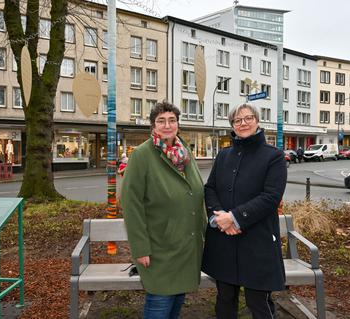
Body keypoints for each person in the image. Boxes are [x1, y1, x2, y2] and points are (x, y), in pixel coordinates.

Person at [121, 101, 206, 319]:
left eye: (172, 120)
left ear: (178, 124)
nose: (167, 125)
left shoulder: (185, 153)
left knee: (175, 304)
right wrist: (140, 248)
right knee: (160, 303)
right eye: (161, 121)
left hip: (185, 245)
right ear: (153, 126)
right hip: (159, 247)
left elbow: (195, 192)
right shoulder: (142, 155)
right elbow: (132, 204)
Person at [202, 103, 287, 319]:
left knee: (258, 301)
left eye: (248, 118)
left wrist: (235, 218)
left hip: (257, 241)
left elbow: (271, 197)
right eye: (237, 120)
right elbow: (210, 188)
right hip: (224, 240)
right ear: (232, 125)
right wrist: (219, 217)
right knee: (225, 299)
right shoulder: (223, 155)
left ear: (257, 121)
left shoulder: (274, 157)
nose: (243, 123)